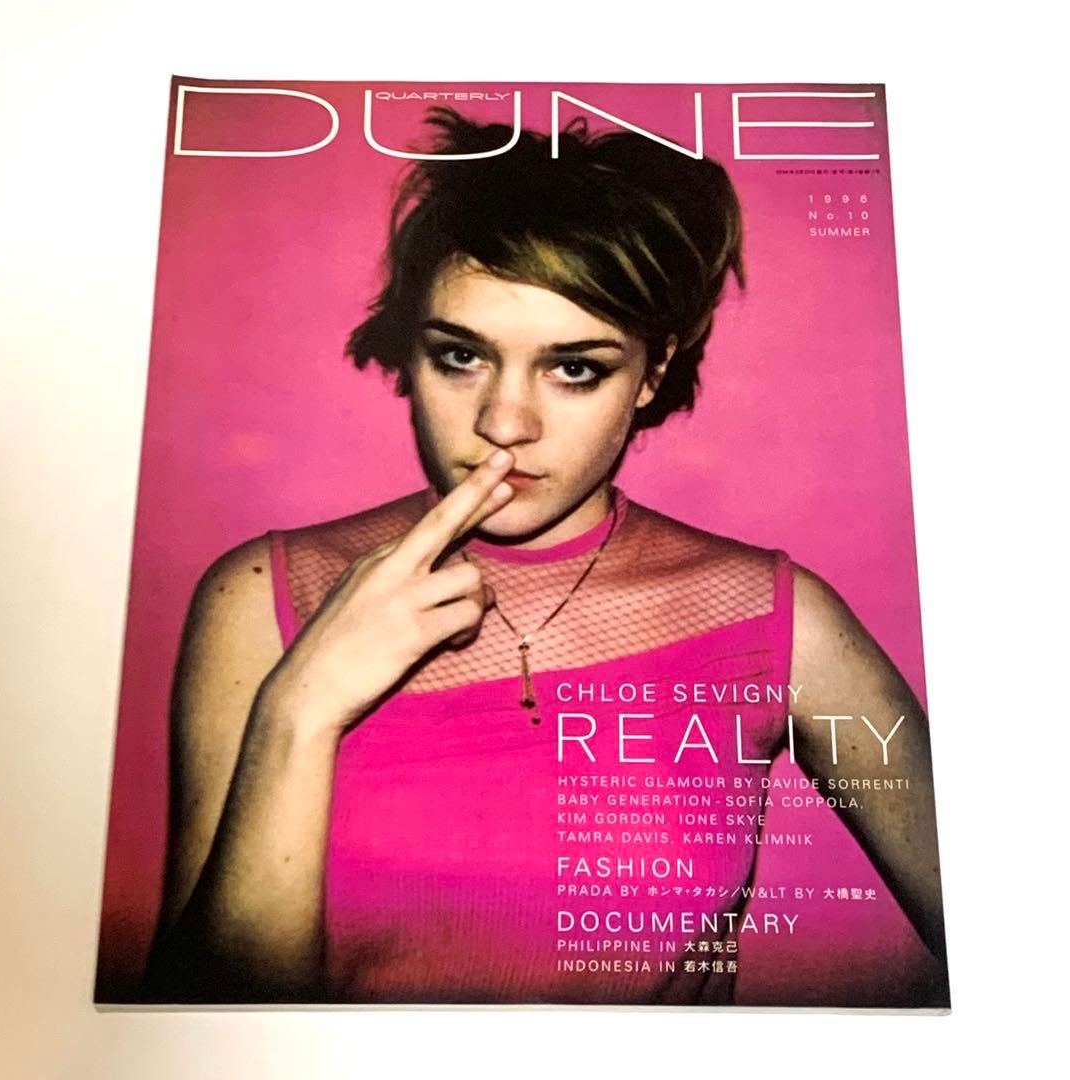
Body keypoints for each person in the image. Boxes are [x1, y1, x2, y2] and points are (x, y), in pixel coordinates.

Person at [144, 109, 947, 1005]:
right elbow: (201, 1028)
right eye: (461, 356)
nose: (504, 423)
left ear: (652, 372)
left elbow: (1022, 953)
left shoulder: (772, 619)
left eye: (574, 368)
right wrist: (301, 707)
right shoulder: (261, 596)